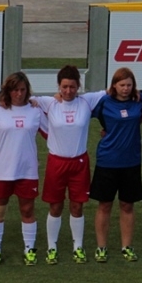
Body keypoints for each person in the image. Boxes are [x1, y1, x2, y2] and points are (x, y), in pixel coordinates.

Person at [32, 66, 104, 265]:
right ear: (59, 86)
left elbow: (112, 91)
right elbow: (24, 98)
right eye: (64, 87)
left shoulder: (87, 102)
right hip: (56, 163)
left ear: (78, 86)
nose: (68, 91)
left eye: (72, 87)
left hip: (79, 162)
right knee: (55, 206)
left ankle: (78, 247)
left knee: (77, 206)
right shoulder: (49, 103)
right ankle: (51, 248)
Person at [0, 72, 47, 266]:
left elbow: (53, 132)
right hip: (2, 170)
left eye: (22, 90)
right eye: (15, 90)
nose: (19, 93)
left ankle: (29, 249)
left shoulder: (35, 111)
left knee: (27, 210)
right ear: (8, 91)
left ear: (27, 91)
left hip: (27, 171)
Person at [90, 68, 142, 263]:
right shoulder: (103, 103)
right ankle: (101, 247)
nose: (125, 89)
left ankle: (127, 247)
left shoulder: (140, 101)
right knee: (104, 205)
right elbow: (80, 108)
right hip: (107, 161)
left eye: (129, 85)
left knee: (127, 205)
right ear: (114, 85)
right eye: (122, 85)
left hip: (131, 161)